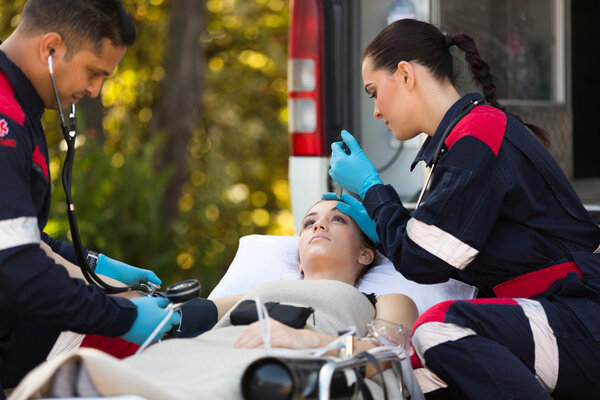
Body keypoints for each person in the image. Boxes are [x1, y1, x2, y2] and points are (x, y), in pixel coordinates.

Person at [327, 18, 600, 399]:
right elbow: (432, 244)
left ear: (405, 74)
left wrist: (374, 190)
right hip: (555, 316)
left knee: (437, 329)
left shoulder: (478, 134)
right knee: (423, 371)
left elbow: (424, 259)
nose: (374, 110)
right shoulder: (461, 141)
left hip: (581, 314)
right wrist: (379, 224)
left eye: (374, 92)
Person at [10, 199, 419, 400]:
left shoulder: (386, 298)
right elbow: (178, 317)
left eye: (337, 220)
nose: (318, 225)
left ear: (366, 254)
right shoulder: (257, 292)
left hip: (281, 368)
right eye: (310, 221)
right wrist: (117, 288)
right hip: (205, 353)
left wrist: (313, 343)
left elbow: (387, 353)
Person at [0, 0, 180, 393]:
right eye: (93, 73)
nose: (95, 90)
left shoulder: (17, 109)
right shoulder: (4, 124)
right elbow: (17, 270)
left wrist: (95, 264)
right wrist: (123, 318)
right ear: (51, 49)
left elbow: (14, 236)